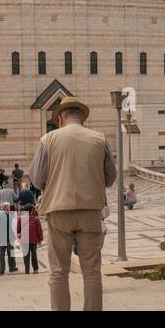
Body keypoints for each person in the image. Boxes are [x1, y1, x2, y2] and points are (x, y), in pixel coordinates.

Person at [28, 95, 116, 311]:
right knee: (92, 272)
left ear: (60, 119)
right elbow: (110, 178)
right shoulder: (99, 139)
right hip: (91, 212)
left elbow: (37, 178)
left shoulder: (48, 139)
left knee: (58, 272)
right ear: (82, 119)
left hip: (59, 212)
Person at [17, 205, 43, 274]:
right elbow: (39, 231)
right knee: (34, 255)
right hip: (34, 240)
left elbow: (18, 230)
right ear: (31, 210)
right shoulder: (36, 219)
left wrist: (19, 236)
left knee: (26, 255)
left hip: (24, 240)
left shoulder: (20, 219)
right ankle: (35, 269)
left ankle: (27, 270)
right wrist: (40, 240)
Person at [0, 202, 17, 274]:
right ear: (5, 207)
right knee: (11, 253)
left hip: (0, 237)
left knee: (1, 254)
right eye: (8, 207)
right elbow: (13, 227)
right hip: (9, 238)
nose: (9, 208)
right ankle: (12, 267)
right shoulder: (9, 216)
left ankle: (1, 270)